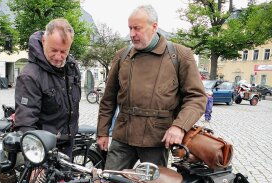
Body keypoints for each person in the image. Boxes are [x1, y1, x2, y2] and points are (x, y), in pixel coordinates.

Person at [97, 5, 207, 170]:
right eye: (130, 28)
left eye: (137, 28)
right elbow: (108, 98)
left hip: (157, 139)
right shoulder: (122, 56)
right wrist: (102, 132)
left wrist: (179, 126)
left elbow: (197, 97)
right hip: (123, 137)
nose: (132, 34)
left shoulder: (180, 55)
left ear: (154, 26)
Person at [14, 18, 81, 157]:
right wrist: (33, 158)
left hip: (68, 144)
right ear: (44, 41)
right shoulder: (30, 76)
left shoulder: (72, 68)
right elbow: (26, 123)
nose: (58, 57)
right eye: (54, 50)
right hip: (42, 148)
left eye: (64, 51)